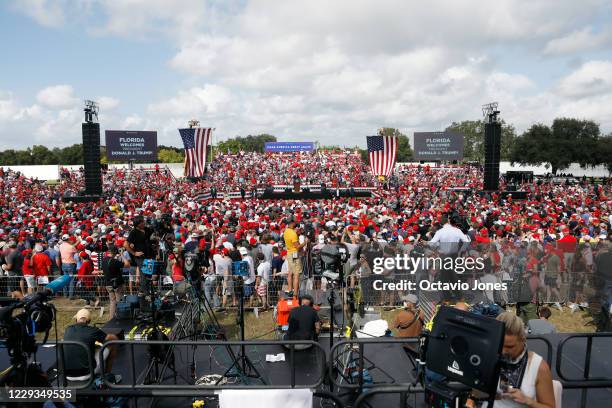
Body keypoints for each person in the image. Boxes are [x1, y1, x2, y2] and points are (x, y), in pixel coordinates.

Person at [495, 312, 555, 408]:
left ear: (523, 340)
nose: (503, 351)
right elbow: (477, 394)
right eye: (499, 345)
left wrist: (528, 401)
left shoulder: (539, 367)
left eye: (510, 346)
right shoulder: (490, 357)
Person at [63, 309, 120, 382]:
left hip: (67, 375)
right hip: (86, 374)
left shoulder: (68, 329)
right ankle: (107, 376)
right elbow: (111, 337)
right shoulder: (93, 330)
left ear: (76, 319)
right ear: (89, 321)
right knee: (111, 344)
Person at [283, 217, 308, 295]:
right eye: (294, 222)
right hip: (294, 254)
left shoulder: (286, 230)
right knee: (296, 274)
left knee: (290, 273)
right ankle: (295, 294)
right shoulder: (293, 233)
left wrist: (297, 233)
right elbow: (298, 246)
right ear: (292, 223)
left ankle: (290, 290)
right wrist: (306, 242)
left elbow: (291, 238)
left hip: (289, 253)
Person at [101, 246, 126, 319]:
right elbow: (127, 264)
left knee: (112, 301)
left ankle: (111, 318)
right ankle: (120, 317)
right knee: (119, 301)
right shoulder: (114, 261)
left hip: (108, 284)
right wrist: (122, 255)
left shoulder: (104, 260)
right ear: (115, 252)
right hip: (117, 284)